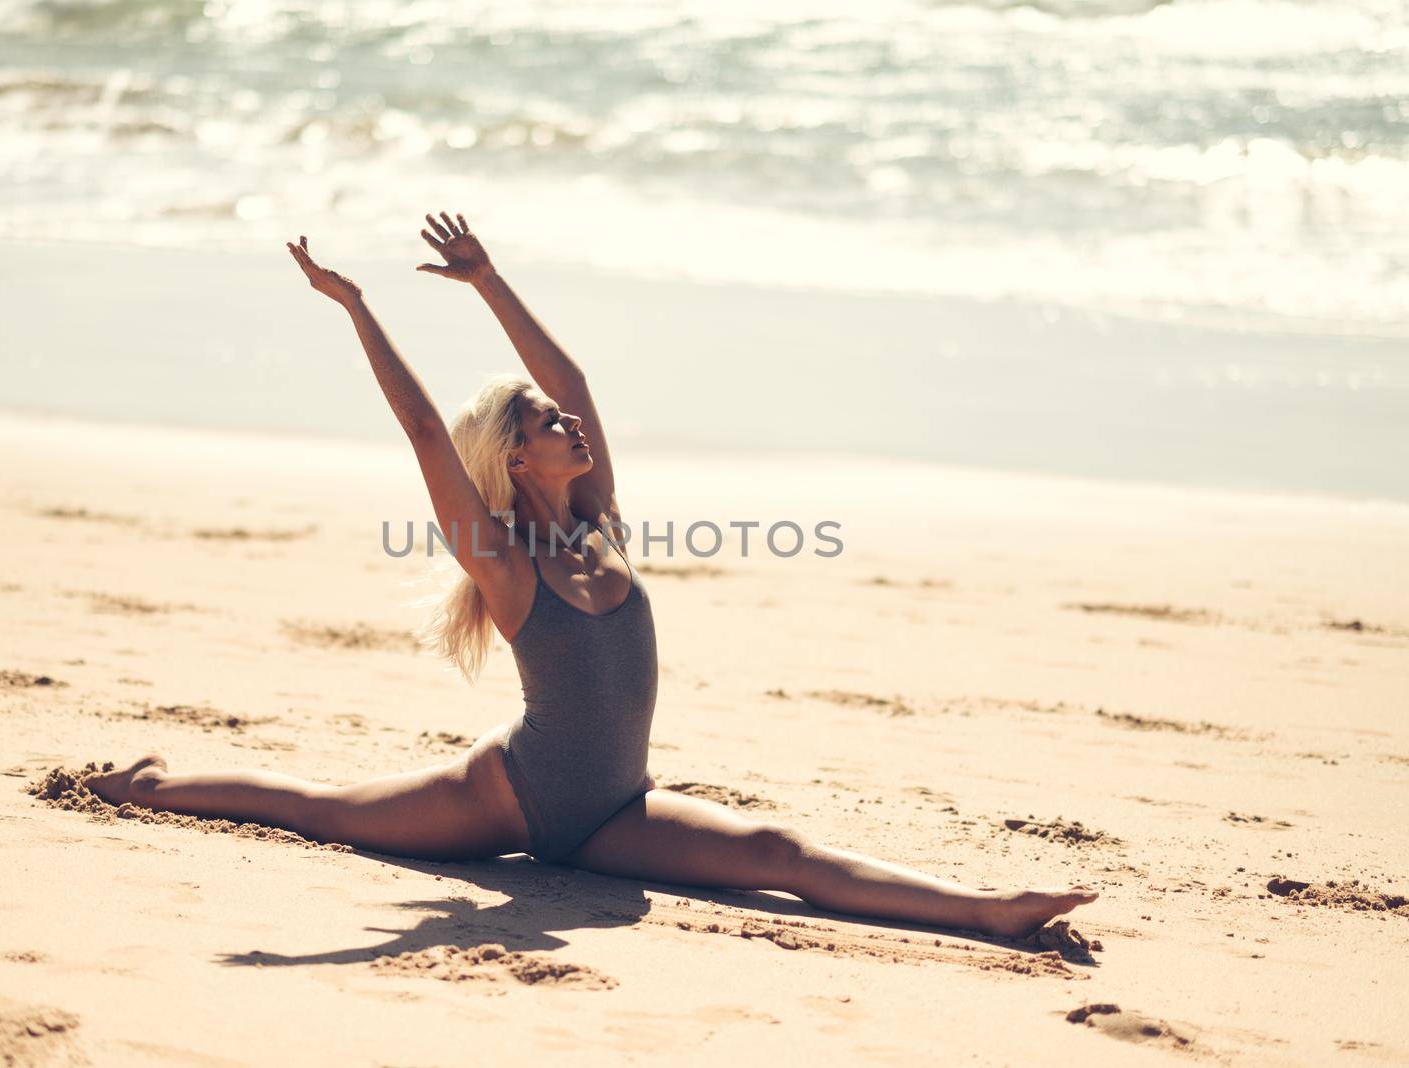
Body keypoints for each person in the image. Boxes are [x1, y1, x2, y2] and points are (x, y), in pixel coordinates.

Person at [86, 210, 1097, 940]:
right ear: (521, 460)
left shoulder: (601, 521)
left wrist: (487, 282)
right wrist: (354, 307)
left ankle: (988, 913)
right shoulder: (506, 564)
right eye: (543, 425)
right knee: (328, 813)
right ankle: (150, 787)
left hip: (616, 811)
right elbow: (425, 430)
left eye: (561, 422)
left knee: (779, 856)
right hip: (515, 801)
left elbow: (575, 380)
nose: (568, 424)